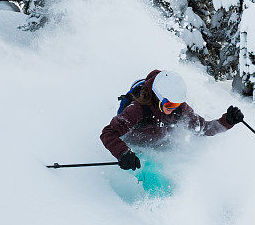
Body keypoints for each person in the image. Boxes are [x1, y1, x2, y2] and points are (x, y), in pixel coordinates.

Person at [100, 69, 244, 170]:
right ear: (158, 97)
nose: (174, 108)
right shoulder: (137, 109)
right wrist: (123, 153)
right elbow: (108, 133)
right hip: (136, 152)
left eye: (178, 103)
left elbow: (202, 129)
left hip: (162, 149)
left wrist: (227, 121)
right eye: (170, 104)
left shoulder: (180, 109)